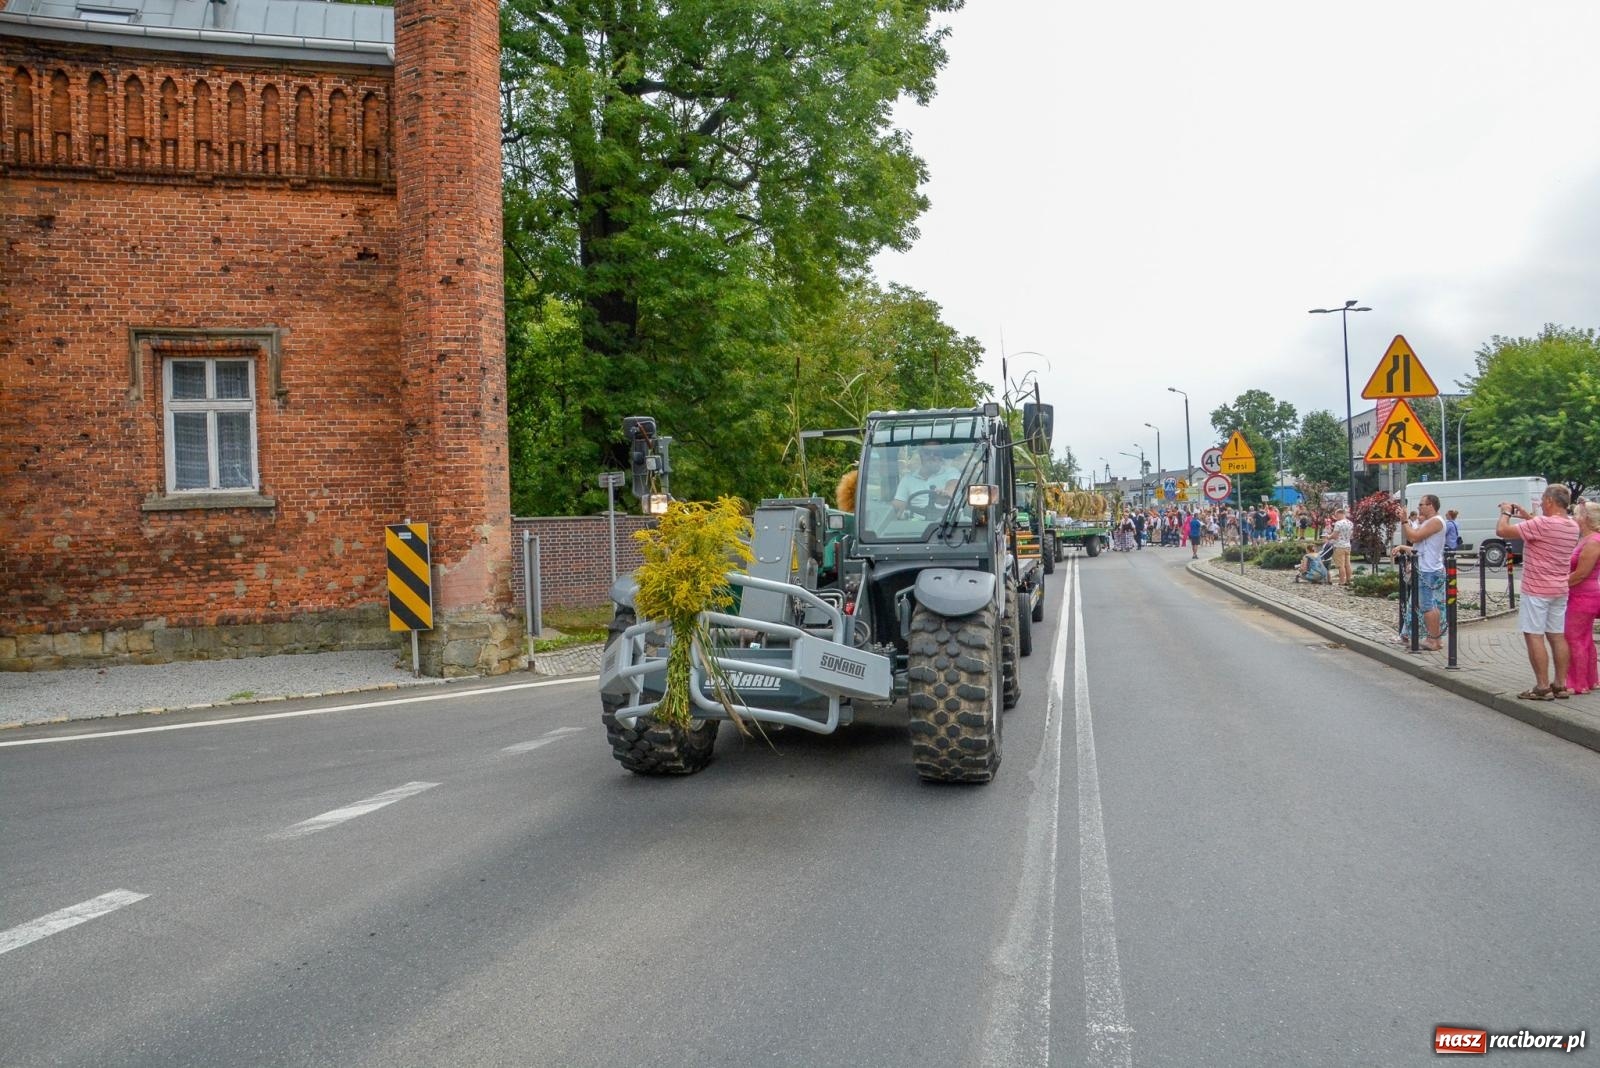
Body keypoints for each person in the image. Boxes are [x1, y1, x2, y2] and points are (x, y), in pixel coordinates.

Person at [1497, 485, 1580, 700]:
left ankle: (1542, 686)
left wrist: (1506, 512)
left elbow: (1502, 531)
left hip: (1536, 589)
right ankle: (1560, 685)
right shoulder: (1571, 525)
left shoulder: (1542, 524)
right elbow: (1543, 526)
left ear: (1551, 501)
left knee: (1534, 635)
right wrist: (1526, 516)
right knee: (1557, 636)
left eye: (1543, 500)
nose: (1541, 504)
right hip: (1560, 589)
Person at [1390, 493, 1446, 650]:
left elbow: (1414, 537)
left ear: (1431, 506)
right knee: (1429, 605)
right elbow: (1418, 548)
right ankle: (1434, 638)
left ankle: (1434, 640)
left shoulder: (1435, 521)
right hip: (1428, 567)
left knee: (1427, 606)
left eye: (1421, 504)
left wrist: (1404, 521)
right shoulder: (1431, 522)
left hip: (1428, 570)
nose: (1419, 507)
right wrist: (1402, 547)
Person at [1563, 501, 1600, 695]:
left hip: (1583, 595)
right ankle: (1589, 679)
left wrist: (1559, 584)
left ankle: (1576, 682)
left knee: (1573, 637)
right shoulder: (1588, 539)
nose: (1574, 518)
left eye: (1576, 515)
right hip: (1583, 594)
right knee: (1584, 638)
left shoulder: (1593, 541)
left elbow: (1582, 573)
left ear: (1585, 518)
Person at [891, 443, 959, 517]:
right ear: (921, 455)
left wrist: (944, 496)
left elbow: (951, 489)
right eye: (927, 453)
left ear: (941, 457)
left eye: (936, 453)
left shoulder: (952, 472)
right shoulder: (908, 479)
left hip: (948, 522)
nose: (931, 456)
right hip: (916, 524)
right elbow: (899, 504)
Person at [1330, 507, 1354, 585]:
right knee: (1348, 564)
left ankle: (1342, 581)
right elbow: (1351, 536)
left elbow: (1335, 535)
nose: (1336, 517)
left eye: (1336, 515)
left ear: (1340, 514)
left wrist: (1328, 536)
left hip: (1339, 546)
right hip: (1348, 545)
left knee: (1341, 565)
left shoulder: (1338, 523)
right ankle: (1348, 580)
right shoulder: (1350, 523)